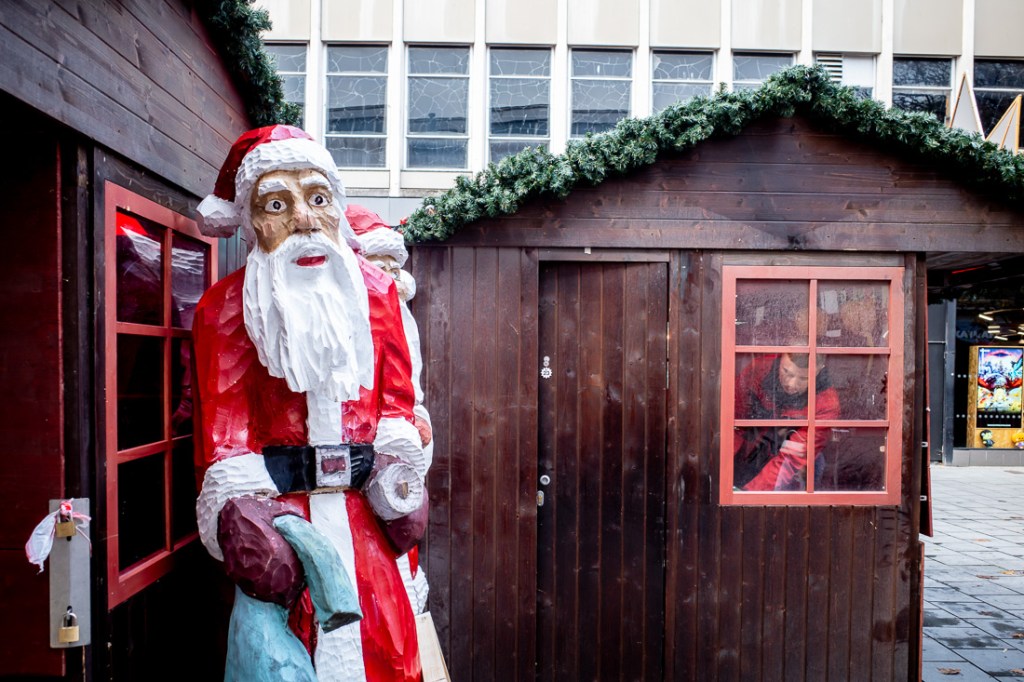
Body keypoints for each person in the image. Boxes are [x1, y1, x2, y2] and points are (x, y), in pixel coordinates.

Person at [192, 125, 427, 681]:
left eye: (317, 198)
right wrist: (246, 520)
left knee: (389, 649)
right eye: (277, 203)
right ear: (251, 221)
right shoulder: (226, 311)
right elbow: (225, 441)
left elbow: (396, 403)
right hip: (288, 523)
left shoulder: (375, 293)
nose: (303, 217)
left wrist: (399, 479)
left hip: (363, 516)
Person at [346, 203, 431, 615]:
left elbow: (407, 389)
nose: (389, 279)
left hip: (402, 464)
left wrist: (418, 420)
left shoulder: (402, 320)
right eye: (378, 266)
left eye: (393, 267)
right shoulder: (353, 320)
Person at [733, 352, 839, 491]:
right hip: (752, 444)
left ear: (819, 370)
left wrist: (749, 494)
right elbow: (733, 420)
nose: (791, 384)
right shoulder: (758, 370)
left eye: (803, 378)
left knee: (815, 465)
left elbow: (791, 460)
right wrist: (723, 470)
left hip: (789, 456)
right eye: (786, 372)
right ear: (781, 357)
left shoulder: (826, 403)